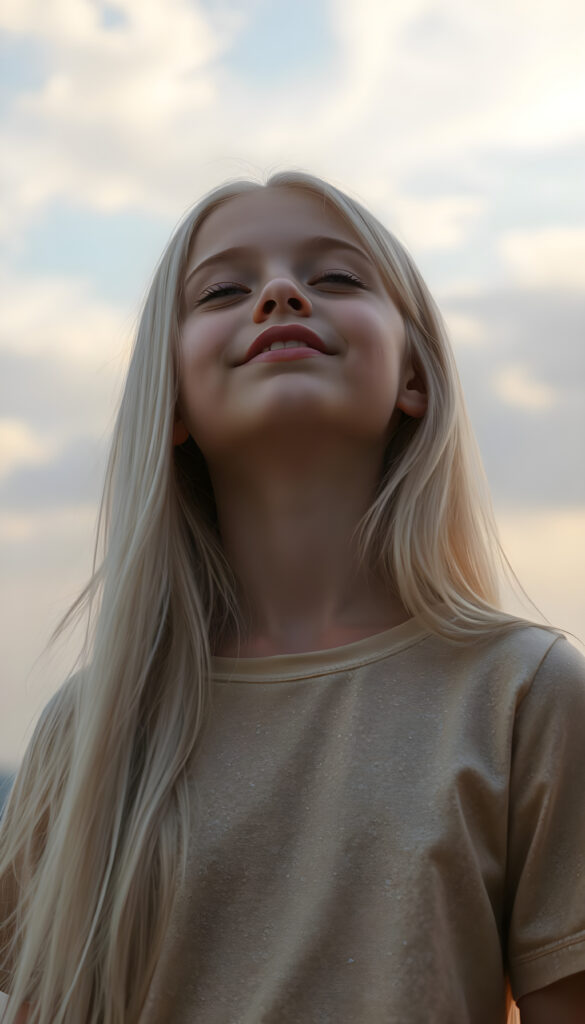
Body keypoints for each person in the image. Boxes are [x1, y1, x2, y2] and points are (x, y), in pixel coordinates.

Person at [0, 172, 584, 1024]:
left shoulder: (525, 695)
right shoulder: (87, 732)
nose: (279, 295)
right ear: (171, 400)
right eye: (224, 290)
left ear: (413, 376)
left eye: (336, 278)